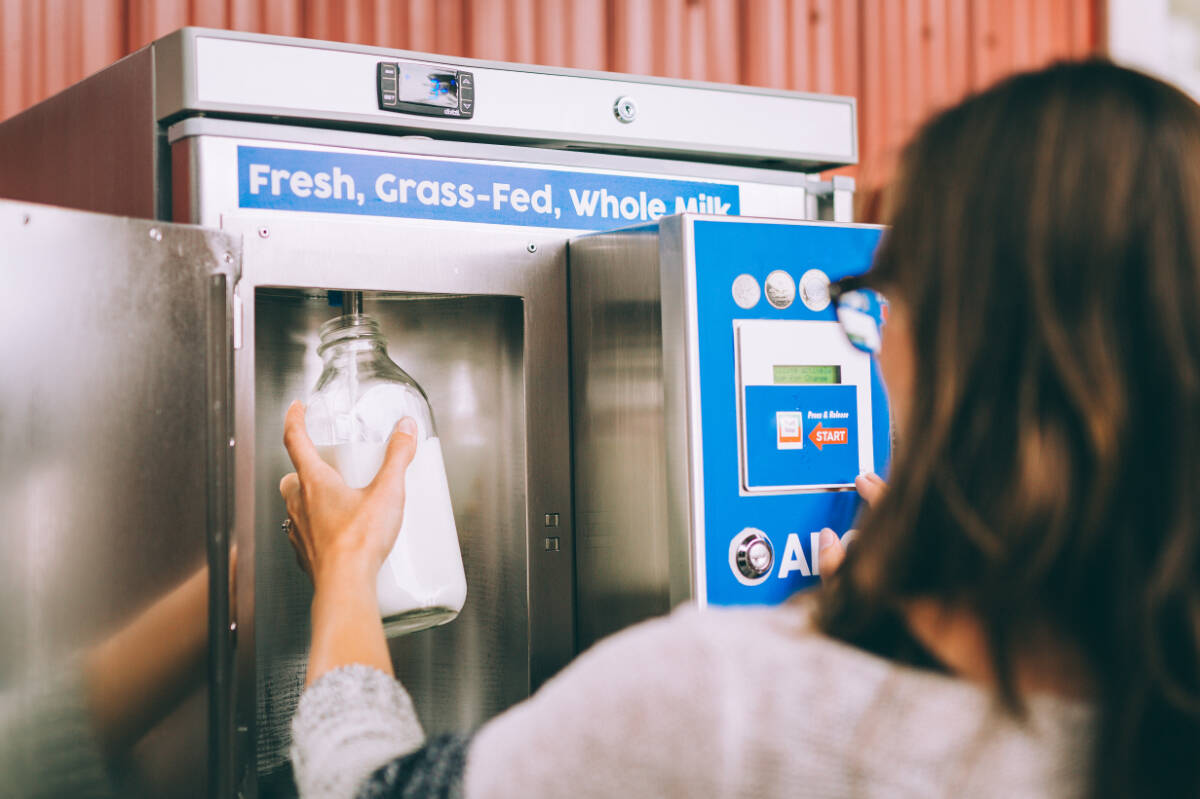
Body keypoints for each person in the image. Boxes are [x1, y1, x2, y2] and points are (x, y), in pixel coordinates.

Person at [280, 59, 1200, 799]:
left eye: (882, 294)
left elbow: (372, 785)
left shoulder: (729, 705)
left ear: (950, 338)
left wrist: (350, 566)